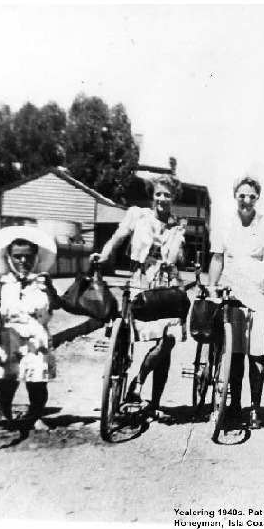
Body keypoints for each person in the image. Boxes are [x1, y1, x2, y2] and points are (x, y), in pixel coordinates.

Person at [91, 174, 186, 417]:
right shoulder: (137, 215)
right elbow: (117, 237)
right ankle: (124, 379)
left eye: (167, 194)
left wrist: (178, 247)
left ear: (174, 197)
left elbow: (179, 262)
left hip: (165, 287)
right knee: (127, 337)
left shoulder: (178, 226)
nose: (162, 198)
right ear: (152, 195)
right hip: (139, 283)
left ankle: (145, 390)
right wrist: (103, 255)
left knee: (167, 342)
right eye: (158, 193)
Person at [208, 176, 264, 429]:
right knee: (234, 352)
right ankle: (234, 405)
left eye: (251, 196)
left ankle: (255, 409)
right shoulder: (225, 225)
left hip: (258, 292)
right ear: (235, 196)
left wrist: (258, 276)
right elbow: (217, 259)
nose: (246, 200)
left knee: (256, 354)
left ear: (257, 198)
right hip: (231, 291)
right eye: (242, 195)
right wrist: (211, 286)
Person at [0, 226, 58, 431]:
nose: (23, 261)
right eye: (17, 257)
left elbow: (55, 306)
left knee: (37, 382)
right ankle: (5, 413)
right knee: (7, 380)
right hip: (9, 336)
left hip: (36, 337)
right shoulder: (1, 282)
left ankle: (36, 415)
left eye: (28, 256)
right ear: (8, 258)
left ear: (35, 257)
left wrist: (49, 288)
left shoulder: (42, 281)